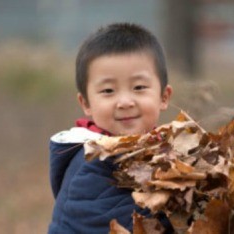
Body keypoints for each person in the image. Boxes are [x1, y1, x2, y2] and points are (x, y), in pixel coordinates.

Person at [48, 23, 173, 233]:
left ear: (164, 96)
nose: (124, 102)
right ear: (86, 103)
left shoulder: (165, 150)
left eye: (139, 87)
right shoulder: (92, 165)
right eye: (108, 90)